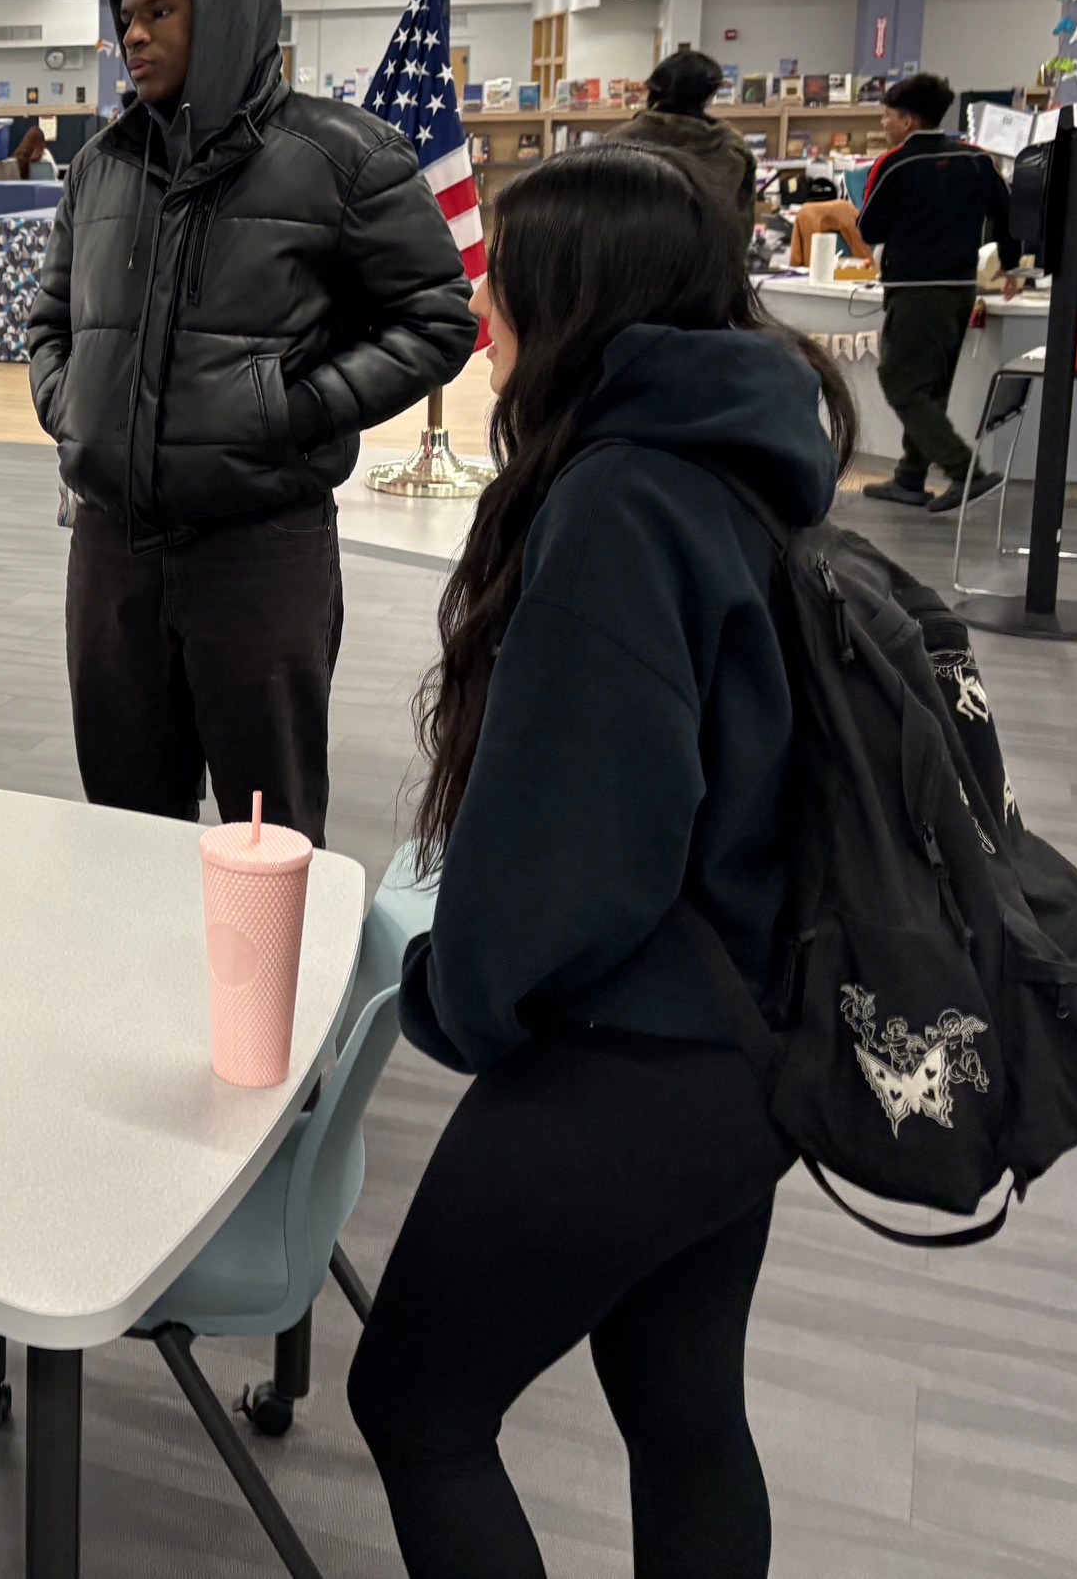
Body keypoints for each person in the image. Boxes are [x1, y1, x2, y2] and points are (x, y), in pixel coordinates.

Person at [346, 147, 852, 1579]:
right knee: (685, 1411)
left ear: (571, 299)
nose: (481, 305)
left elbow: (578, 849)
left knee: (417, 1405)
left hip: (640, 1051)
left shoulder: (620, 506)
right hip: (746, 1032)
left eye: (500, 275)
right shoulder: (742, 462)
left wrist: (455, 990)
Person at [27, 0, 476, 846]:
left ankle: (273, 995)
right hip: (112, 552)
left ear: (225, 11)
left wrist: (296, 405)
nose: (134, 35)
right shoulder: (100, 168)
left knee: (268, 833)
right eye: (125, 17)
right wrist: (75, 413)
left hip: (258, 552)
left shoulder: (343, 159)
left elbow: (437, 320)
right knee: (123, 824)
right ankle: (143, 993)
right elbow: (51, 320)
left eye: (160, 11)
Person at [853, 71, 1020, 510]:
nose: (884, 124)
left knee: (901, 384)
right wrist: (1013, 266)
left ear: (907, 120)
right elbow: (1009, 215)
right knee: (931, 386)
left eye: (887, 116)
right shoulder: (977, 161)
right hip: (961, 287)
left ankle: (967, 472)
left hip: (914, 288)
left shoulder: (896, 164)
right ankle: (910, 478)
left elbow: (869, 226)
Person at [607, 49, 757, 243]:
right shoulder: (732, 150)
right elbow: (741, 225)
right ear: (709, 94)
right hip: (708, 265)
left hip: (628, 261)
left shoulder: (618, 142)